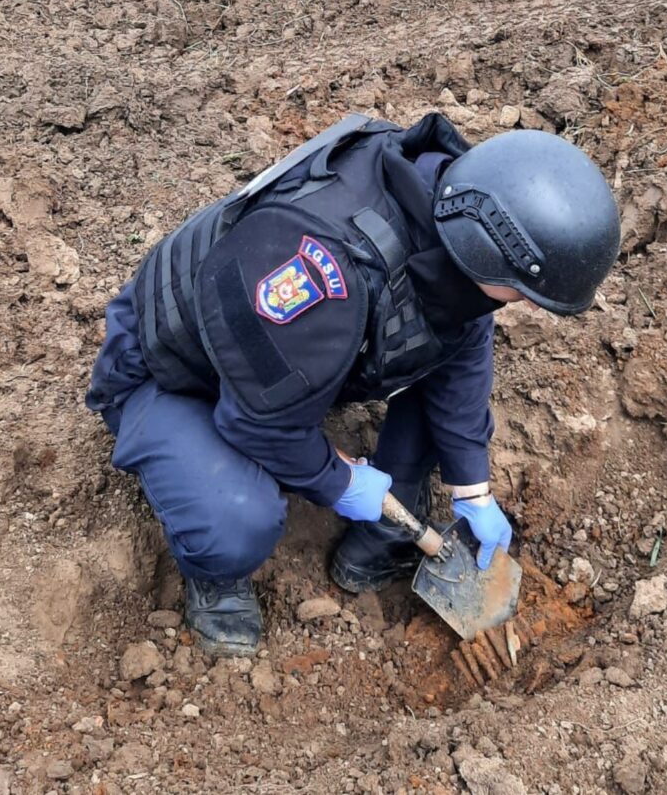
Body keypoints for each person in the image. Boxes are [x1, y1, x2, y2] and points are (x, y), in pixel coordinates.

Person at [85, 112, 620, 654]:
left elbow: (462, 338)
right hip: (170, 372)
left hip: (277, 361)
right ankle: (215, 573)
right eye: (525, 293)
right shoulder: (325, 278)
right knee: (237, 520)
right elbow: (255, 422)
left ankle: (385, 535)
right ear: (486, 253)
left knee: (435, 372)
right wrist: (337, 480)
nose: (526, 306)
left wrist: (471, 487)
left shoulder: (452, 204)